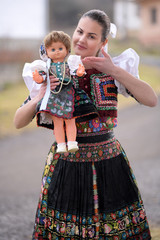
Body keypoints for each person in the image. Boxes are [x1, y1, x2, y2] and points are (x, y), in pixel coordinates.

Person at [14, 9, 157, 240]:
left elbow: (151, 99)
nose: (81, 39)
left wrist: (114, 70)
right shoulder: (53, 69)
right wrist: (41, 95)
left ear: (103, 42)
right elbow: (18, 122)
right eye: (80, 31)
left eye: (92, 36)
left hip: (110, 163)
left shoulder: (112, 70)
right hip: (66, 163)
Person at [23, 31, 98, 153]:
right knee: (57, 122)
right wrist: (39, 78)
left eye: (60, 48)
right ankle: (61, 144)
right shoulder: (46, 67)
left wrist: (79, 72)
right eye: (53, 49)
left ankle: (72, 142)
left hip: (68, 94)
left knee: (70, 119)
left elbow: (76, 73)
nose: (57, 51)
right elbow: (42, 78)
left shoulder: (69, 64)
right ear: (46, 51)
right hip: (54, 96)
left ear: (67, 50)